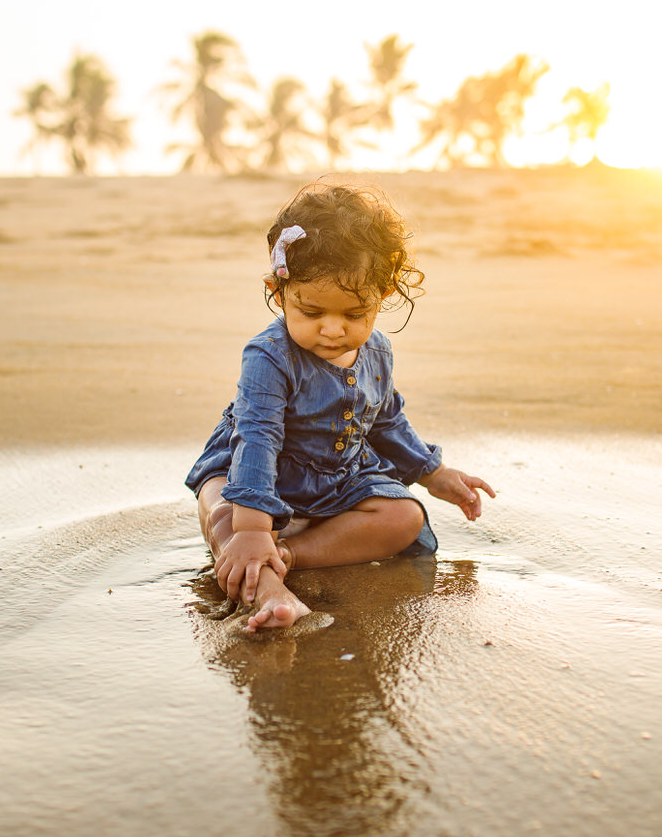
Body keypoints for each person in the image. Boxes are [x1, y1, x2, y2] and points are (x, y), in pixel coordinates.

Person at [186, 182, 494, 633]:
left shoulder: (378, 353)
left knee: (403, 516)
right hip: (255, 472)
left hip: (338, 478)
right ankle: (267, 586)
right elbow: (257, 437)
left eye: (353, 315)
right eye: (312, 313)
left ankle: (289, 555)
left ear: (382, 296)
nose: (332, 330)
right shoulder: (268, 357)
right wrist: (252, 529)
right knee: (221, 510)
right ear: (279, 291)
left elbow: (386, 422)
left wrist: (433, 473)